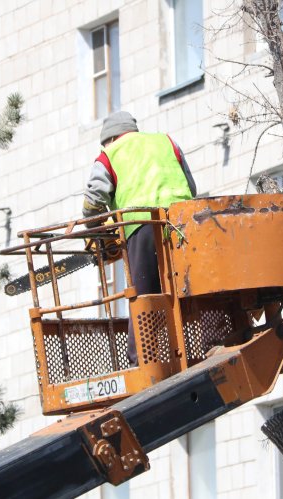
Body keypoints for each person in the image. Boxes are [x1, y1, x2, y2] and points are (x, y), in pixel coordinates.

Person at [83, 111, 197, 366]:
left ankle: (142, 360)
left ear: (109, 139)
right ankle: (197, 343)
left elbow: (93, 201)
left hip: (141, 224)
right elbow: (192, 187)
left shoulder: (109, 155)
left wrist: (97, 229)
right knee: (185, 286)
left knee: (143, 294)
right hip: (182, 223)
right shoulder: (166, 141)